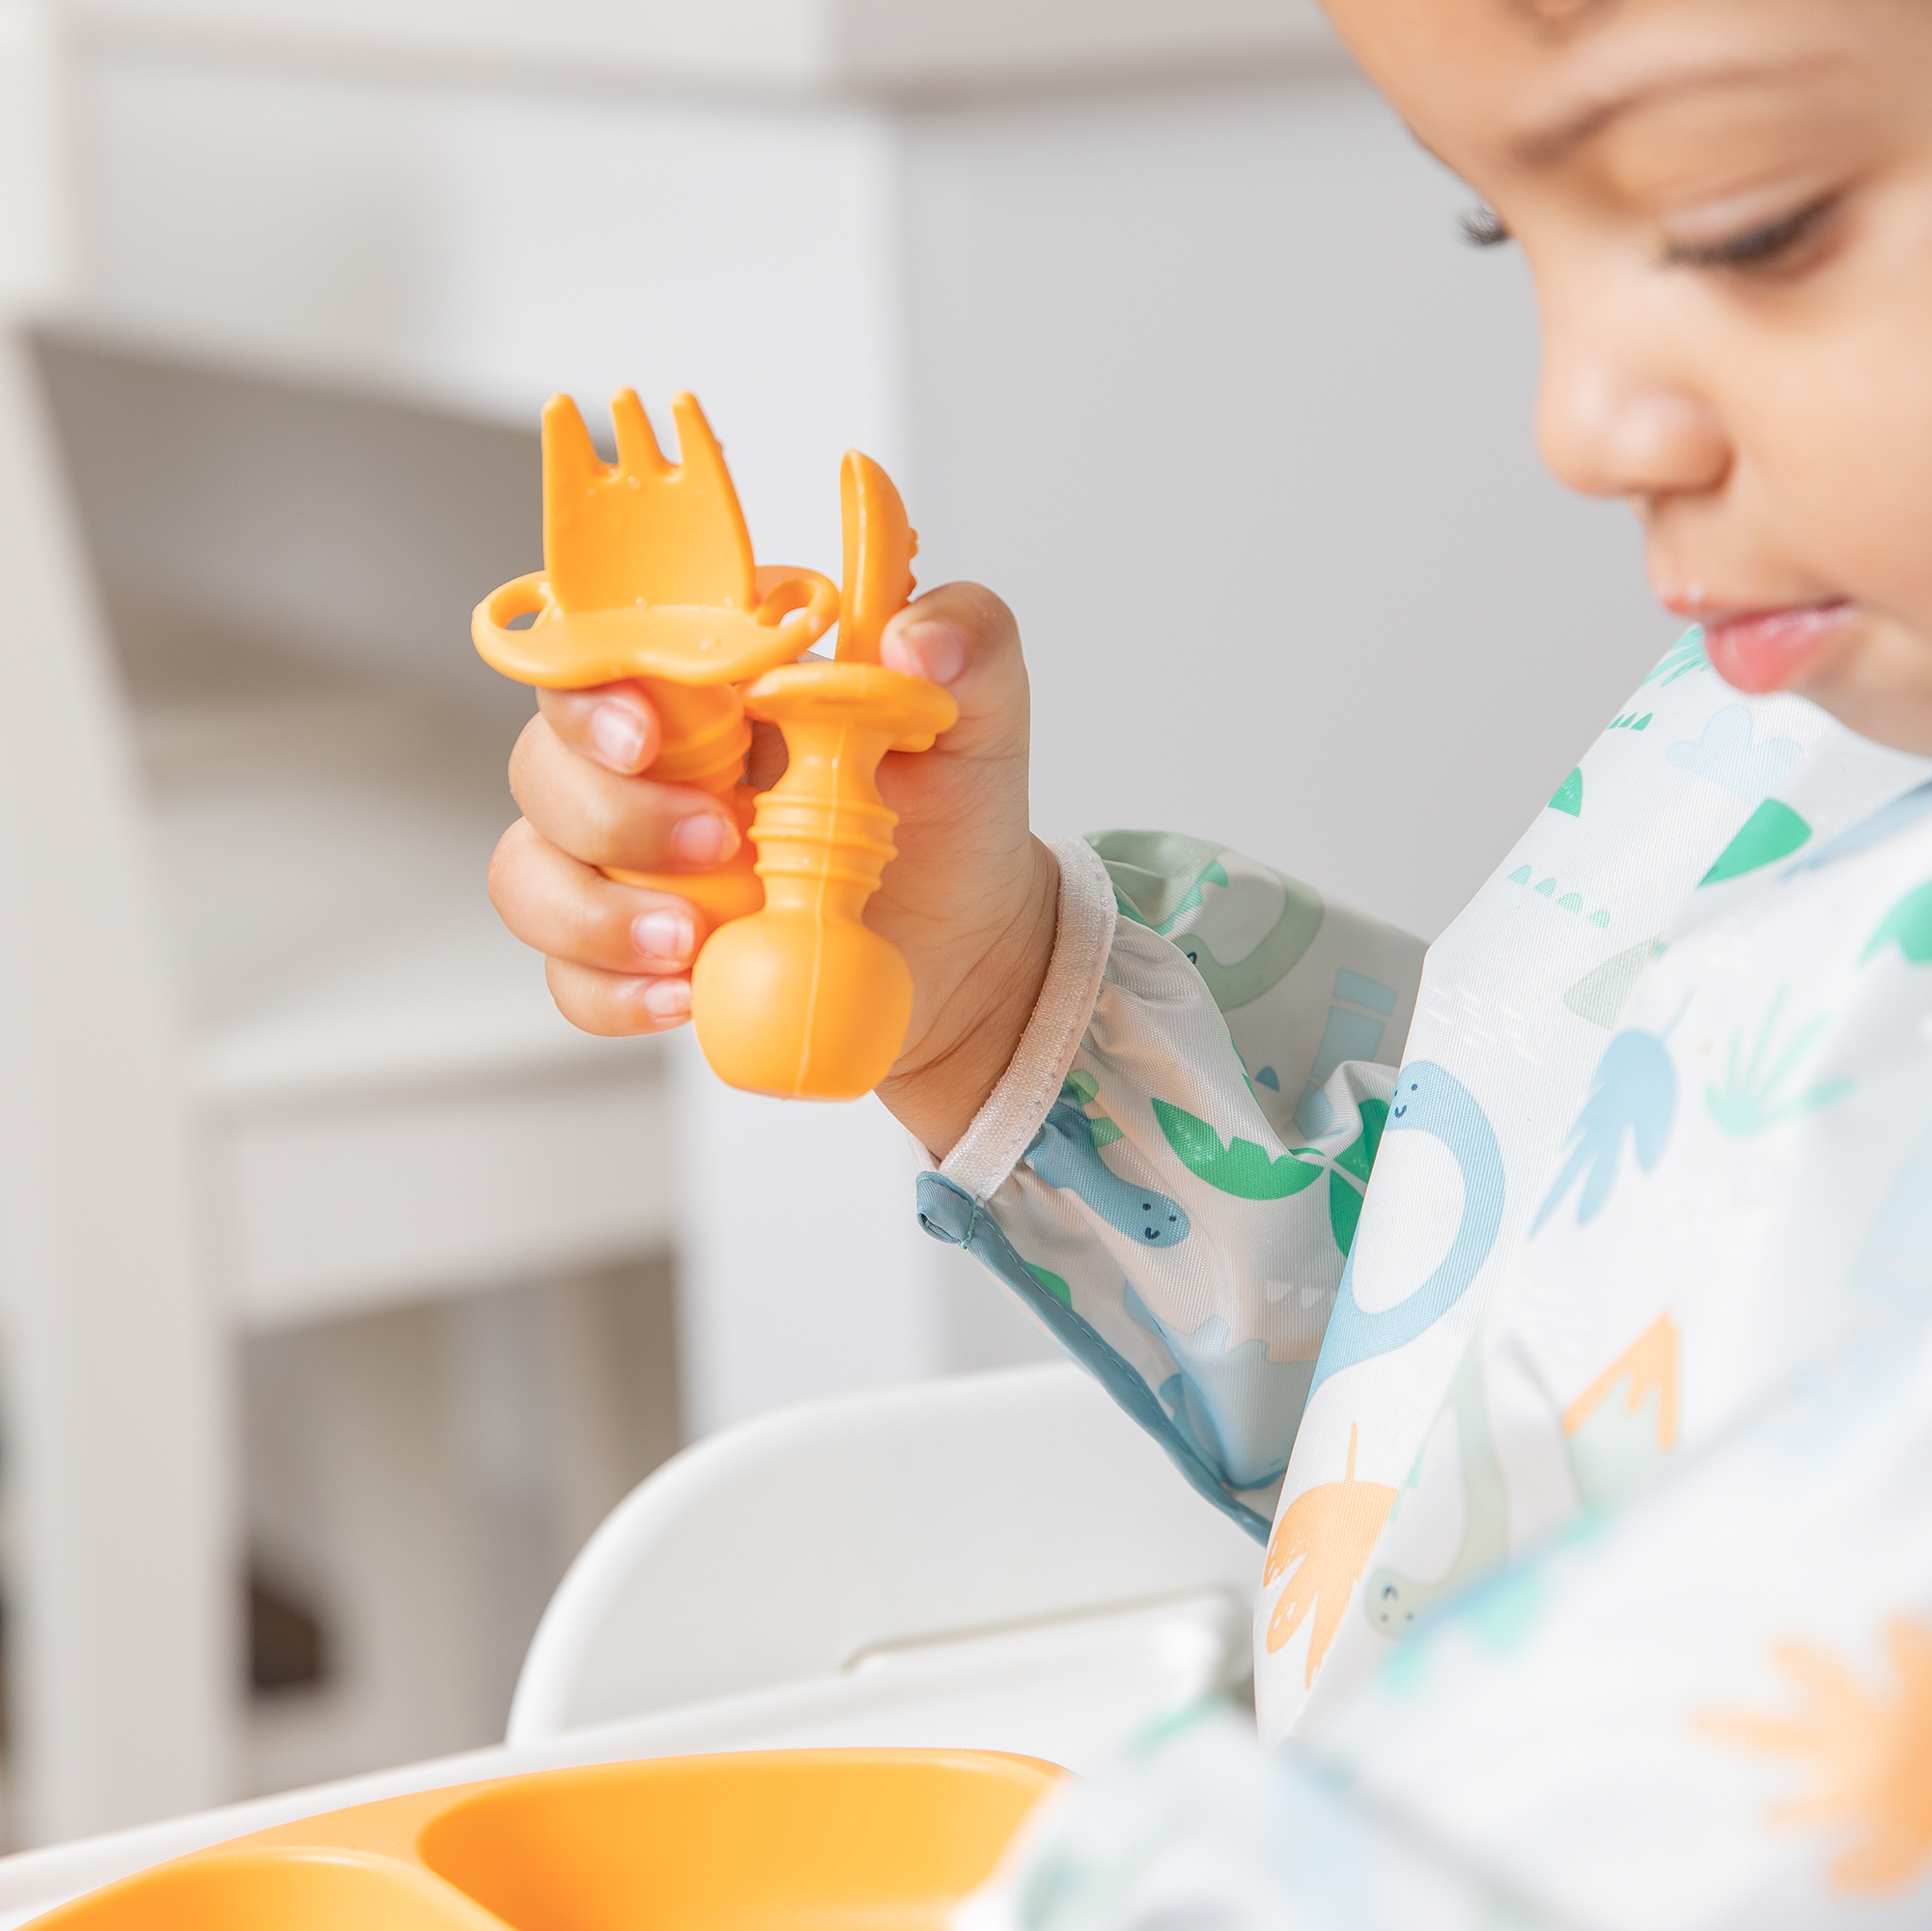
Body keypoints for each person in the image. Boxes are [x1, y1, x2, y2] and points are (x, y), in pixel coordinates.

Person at [489, 0, 1932, 1916]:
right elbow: (1495, 1420)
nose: (1577, 418)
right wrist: (1012, 1001)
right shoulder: (1811, 711)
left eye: (1746, 223)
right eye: (1507, 233)